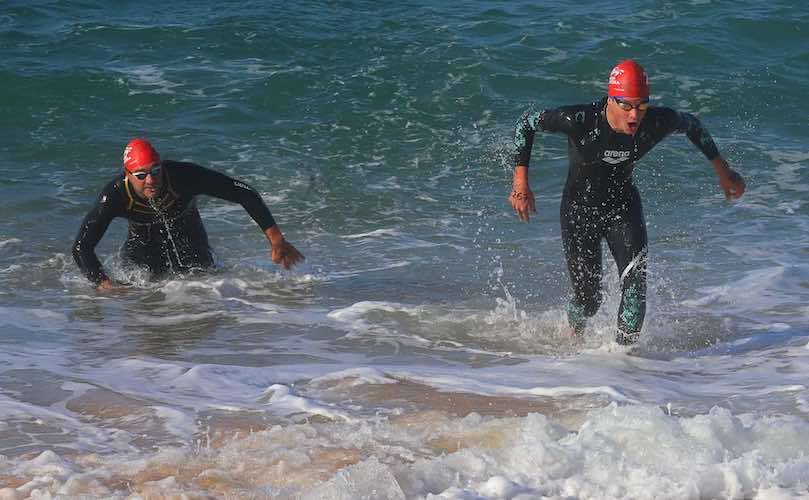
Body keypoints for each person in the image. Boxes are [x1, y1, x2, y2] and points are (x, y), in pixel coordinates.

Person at [508, 59, 745, 344]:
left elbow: (692, 125)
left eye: (642, 106)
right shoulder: (579, 120)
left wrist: (724, 172)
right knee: (588, 301)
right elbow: (526, 124)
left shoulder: (656, 122)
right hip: (579, 211)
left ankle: (623, 365)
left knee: (635, 287)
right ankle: (573, 331)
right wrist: (521, 183)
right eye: (626, 106)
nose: (635, 115)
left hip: (623, 206)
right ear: (611, 100)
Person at [73, 138, 304, 289]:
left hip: (190, 239)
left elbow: (244, 193)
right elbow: (82, 247)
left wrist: (276, 240)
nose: (151, 180)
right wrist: (104, 285)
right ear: (128, 175)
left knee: (205, 292)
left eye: (155, 170)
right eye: (141, 175)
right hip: (142, 250)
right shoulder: (114, 196)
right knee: (143, 302)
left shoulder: (183, 177)